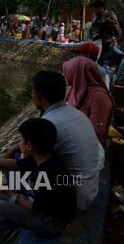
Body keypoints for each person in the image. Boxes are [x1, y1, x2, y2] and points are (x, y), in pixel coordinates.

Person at [0, 118, 76, 243]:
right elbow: (16, 164)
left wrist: (9, 193)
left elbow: (39, 211)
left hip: (51, 223)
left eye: (20, 140)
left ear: (29, 146)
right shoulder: (41, 156)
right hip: (37, 203)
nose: (18, 144)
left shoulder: (45, 173)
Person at [31, 71, 99, 211]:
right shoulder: (78, 115)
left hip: (70, 200)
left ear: (38, 95)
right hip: (89, 190)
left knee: (3, 173)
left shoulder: (49, 124)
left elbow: (27, 160)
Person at [63, 57, 113, 147]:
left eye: (69, 71)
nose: (65, 74)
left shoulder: (99, 97)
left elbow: (96, 131)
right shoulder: (71, 89)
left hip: (88, 148)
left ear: (77, 73)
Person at [90, 0, 121, 67]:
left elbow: (118, 31)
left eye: (96, 9)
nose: (95, 11)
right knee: (99, 63)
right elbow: (94, 28)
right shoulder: (97, 16)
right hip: (99, 43)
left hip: (109, 43)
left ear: (103, 8)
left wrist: (110, 23)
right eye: (94, 9)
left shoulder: (109, 15)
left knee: (108, 64)